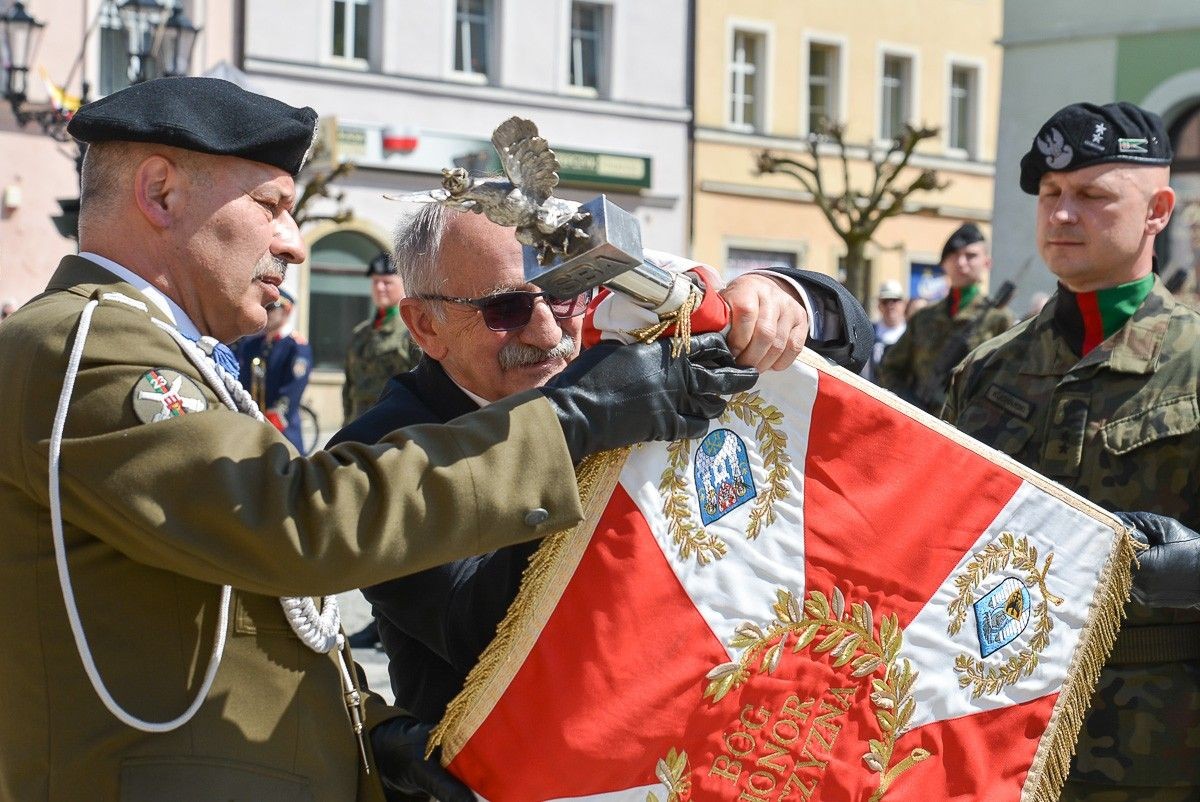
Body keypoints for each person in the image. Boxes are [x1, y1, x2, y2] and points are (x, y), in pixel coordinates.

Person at [0, 76, 758, 801]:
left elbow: (236, 616)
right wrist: (574, 418)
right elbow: (291, 524)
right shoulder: (84, 343)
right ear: (160, 192)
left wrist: (369, 735)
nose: (294, 243)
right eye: (272, 206)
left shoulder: (152, 347)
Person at [329, 203, 874, 799]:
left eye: (564, 294)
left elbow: (849, 341)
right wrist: (577, 424)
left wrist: (779, 298)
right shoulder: (380, 453)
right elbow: (481, 629)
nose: (547, 332)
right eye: (504, 310)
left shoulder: (609, 356)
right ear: (424, 325)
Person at [944, 101, 1200, 801]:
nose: (1061, 214)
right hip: (994, 729)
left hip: (1157, 749)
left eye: (1091, 195)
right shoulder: (988, 369)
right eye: (1050, 193)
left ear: (1157, 212)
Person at [879, 223, 1013, 413]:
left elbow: (1009, 381)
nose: (961, 263)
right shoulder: (923, 318)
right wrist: (907, 402)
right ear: (943, 264)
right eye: (954, 255)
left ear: (987, 262)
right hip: (919, 419)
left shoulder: (999, 319)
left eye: (971, 256)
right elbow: (890, 368)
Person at [343, 251, 420, 423]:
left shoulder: (413, 331)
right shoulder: (361, 333)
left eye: (387, 283)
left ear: (404, 284)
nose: (379, 288)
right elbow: (349, 387)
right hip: (358, 425)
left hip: (395, 425)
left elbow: (424, 386)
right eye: (375, 282)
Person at [233, 288, 312, 451]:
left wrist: (268, 425)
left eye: (270, 307)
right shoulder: (252, 344)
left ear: (286, 311)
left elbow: (291, 392)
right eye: (263, 306)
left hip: (281, 433)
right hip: (250, 428)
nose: (265, 312)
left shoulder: (296, 347)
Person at [863, 279, 907, 382]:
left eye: (895, 300)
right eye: (886, 301)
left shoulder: (912, 334)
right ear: (879, 304)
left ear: (904, 303)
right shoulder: (868, 333)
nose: (890, 305)